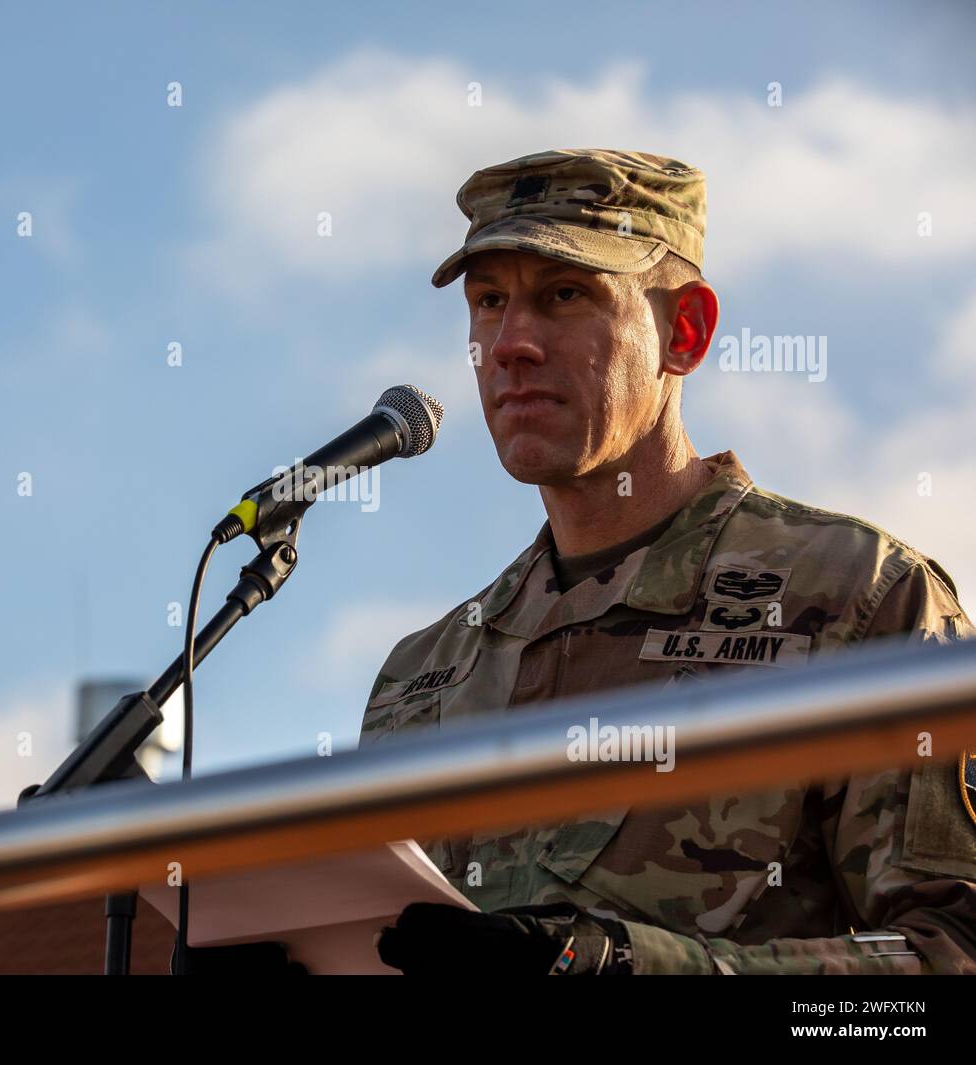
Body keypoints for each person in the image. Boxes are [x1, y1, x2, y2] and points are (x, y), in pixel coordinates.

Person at [365, 149, 976, 975]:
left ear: (683, 332)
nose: (510, 344)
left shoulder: (861, 599)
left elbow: (949, 960)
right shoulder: (423, 676)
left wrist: (624, 968)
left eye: (564, 295)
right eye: (489, 302)